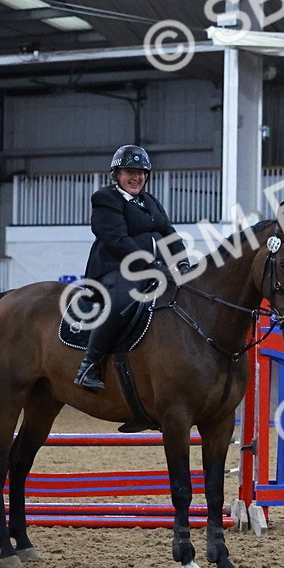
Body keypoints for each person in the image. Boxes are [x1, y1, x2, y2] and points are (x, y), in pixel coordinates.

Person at [73, 144, 188, 391]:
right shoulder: (105, 198)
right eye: (129, 171)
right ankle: (89, 365)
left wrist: (182, 262)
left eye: (141, 172)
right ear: (116, 174)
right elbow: (118, 240)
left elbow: (170, 234)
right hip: (115, 269)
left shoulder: (151, 202)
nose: (136, 177)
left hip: (154, 270)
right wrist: (152, 264)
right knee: (123, 300)